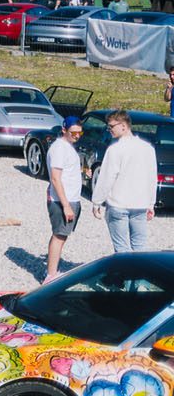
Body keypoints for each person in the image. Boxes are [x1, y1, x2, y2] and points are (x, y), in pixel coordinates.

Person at [91, 109, 157, 254]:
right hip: (140, 204)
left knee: (121, 250)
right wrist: (151, 203)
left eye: (111, 126)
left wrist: (97, 202)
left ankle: (126, 270)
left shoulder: (115, 149)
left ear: (123, 125)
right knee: (140, 249)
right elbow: (152, 178)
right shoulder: (148, 149)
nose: (109, 130)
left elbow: (106, 178)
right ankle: (139, 270)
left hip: (118, 205)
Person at [45, 115, 85, 281]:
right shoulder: (59, 148)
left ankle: (52, 271)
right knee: (59, 236)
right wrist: (66, 205)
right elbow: (55, 178)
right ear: (64, 130)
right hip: (62, 200)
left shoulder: (67, 147)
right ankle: (50, 275)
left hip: (69, 198)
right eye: (73, 132)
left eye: (80, 133)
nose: (77, 136)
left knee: (62, 236)